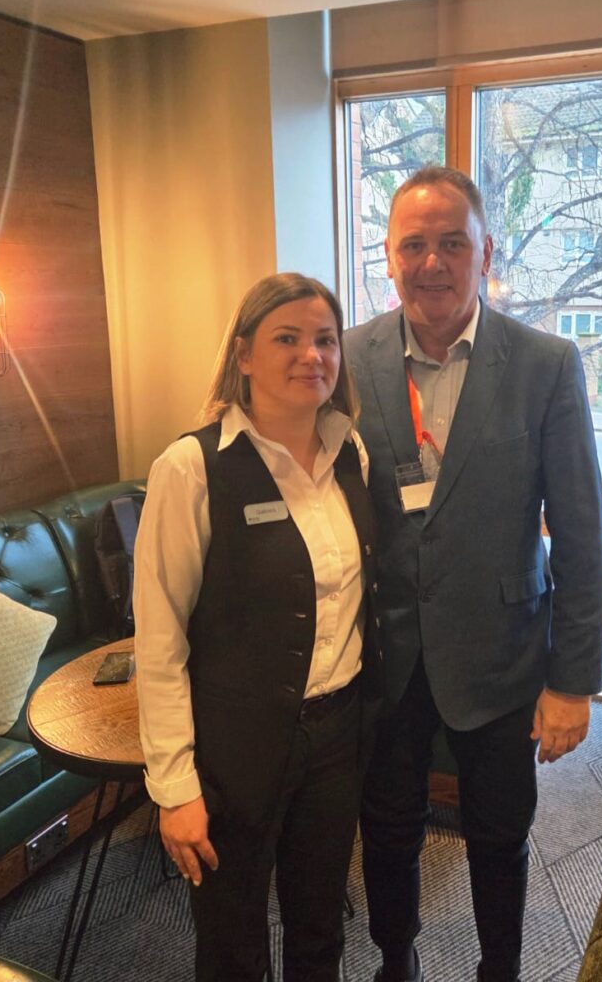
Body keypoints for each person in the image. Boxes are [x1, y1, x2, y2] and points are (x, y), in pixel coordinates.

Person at [345, 167, 602, 982]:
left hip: (501, 655)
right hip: (383, 657)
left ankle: (500, 967)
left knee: (499, 833)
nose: (432, 262)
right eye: (413, 245)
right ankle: (397, 958)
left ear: (485, 251)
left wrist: (571, 683)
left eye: (451, 243)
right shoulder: (346, 360)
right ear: (388, 258)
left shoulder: (543, 364)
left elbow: (580, 531)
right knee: (386, 829)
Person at [133, 272, 381, 982]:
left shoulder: (349, 455)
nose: (313, 355)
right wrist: (174, 787)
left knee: (319, 922)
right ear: (242, 355)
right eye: (287, 338)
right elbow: (159, 641)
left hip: (336, 734)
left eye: (326, 340)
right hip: (236, 746)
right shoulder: (191, 468)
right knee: (232, 938)